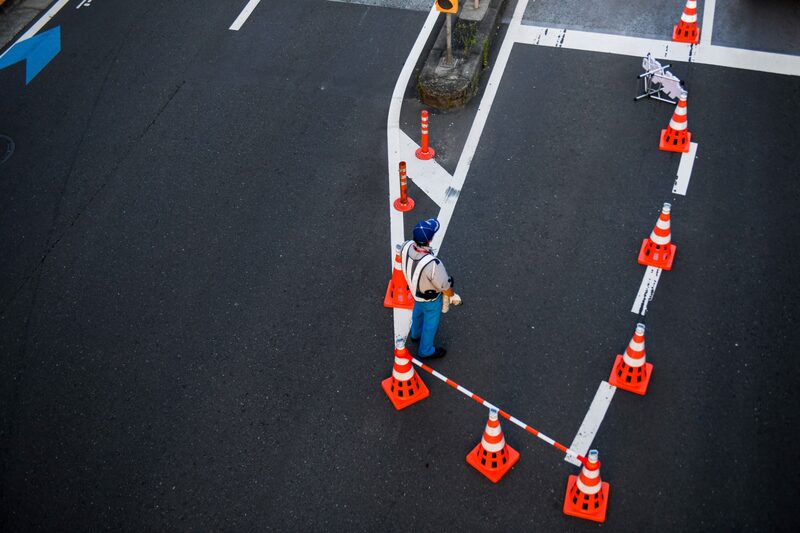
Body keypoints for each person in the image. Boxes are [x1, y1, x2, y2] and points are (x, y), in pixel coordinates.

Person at [400, 218, 461, 359]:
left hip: (415, 293)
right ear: (430, 240)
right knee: (430, 325)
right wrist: (452, 295)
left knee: (417, 313)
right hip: (431, 300)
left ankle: (415, 334)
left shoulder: (405, 246)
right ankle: (426, 351)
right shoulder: (433, 264)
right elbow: (445, 286)